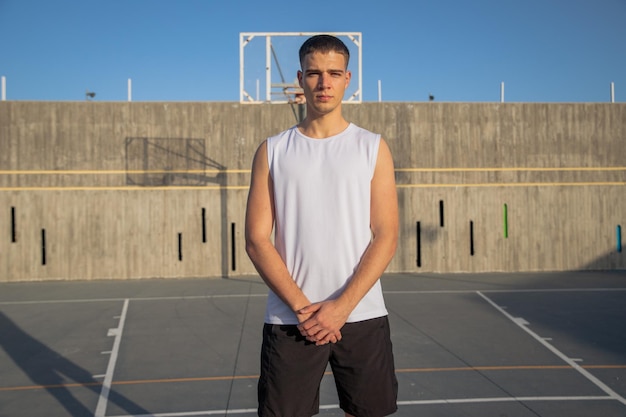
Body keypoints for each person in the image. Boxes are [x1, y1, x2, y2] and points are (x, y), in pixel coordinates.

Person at [245, 34, 399, 417]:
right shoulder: (273, 150)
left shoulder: (372, 147)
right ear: (300, 78)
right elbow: (255, 239)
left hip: (360, 314)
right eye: (314, 73)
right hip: (290, 319)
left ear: (348, 79)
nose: (324, 82)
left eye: (333, 73)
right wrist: (305, 310)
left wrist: (340, 308)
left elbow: (386, 235)